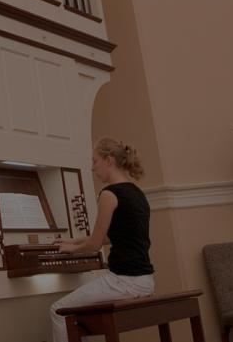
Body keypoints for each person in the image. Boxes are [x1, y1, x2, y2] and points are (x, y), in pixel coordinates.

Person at [49, 137, 155, 342]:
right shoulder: (137, 192)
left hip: (124, 281)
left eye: (94, 161)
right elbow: (110, 236)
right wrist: (73, 241)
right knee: (76, 315)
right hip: (145, 280)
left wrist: (70, 250)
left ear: (109, 160)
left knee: (58, 310)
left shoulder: (109, 194)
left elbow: (95, 244)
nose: (92, 168)